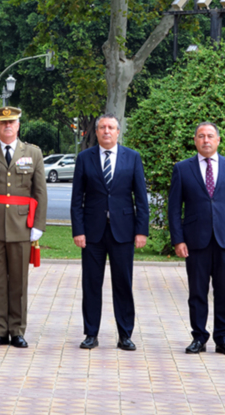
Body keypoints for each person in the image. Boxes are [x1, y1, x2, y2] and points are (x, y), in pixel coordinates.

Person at [168, 122, 225, 356]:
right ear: (195, 140)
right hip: (195, 241)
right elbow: (174, 209)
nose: (206, 140)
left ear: (218, 140)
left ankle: (223, 338)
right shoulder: (182, 169)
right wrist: (178, 240)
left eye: (210, 136)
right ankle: (199, 337)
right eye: (201, 136)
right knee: (197, 291)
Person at [70, 113, 149, 351]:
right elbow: (77, 199)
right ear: (96, 132)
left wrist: (141, 231)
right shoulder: (84, 158)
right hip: (92, 233)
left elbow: (141, 199)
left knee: (123, 284)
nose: (106, 131)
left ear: (118, 132)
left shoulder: (132, 158)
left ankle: (125, 335)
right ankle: (91, 333)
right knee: (91, 284)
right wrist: (78, 230)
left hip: (123, 232)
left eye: (111, 127)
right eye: (102, 127)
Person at [0, 106, 47, 348]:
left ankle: (17, 330)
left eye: (11, 122)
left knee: (18, 281)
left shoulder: (33, 153)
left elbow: (40, 192)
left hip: (22, 226)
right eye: (3, 123)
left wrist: (38, 225)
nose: (7, 126)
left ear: (18, 125)